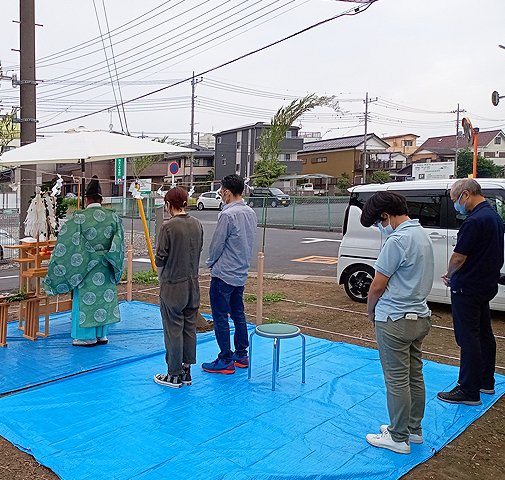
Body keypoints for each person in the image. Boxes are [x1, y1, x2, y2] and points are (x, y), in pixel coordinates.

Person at [361, 191, 434, 455]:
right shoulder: (421, 234)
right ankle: (413, 430)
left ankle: (398, 436)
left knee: (396, 380)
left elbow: (377, 286)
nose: (380, 227)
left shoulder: (397, 240)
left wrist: (371, 312)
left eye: (379, 222)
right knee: (415, 375)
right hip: (420, 317)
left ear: (385, 216)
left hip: (394, 319)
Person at [437, 178, 504, 405]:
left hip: (468, 286)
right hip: (486, 284)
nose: (456, 204)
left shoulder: (474, 221)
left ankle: (468, 389)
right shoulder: (494, 216)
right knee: (484, 334)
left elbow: (459, 256)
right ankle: (486, 381)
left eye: (456, 200)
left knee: (468, 338)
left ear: (466, 194)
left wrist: (450, 274)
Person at [42, 175, 124, 346]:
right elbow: (119, 244)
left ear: (86, 199)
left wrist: (88, 254)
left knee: (87, 300)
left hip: (86, 267)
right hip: (108, 265)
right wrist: (109, 258)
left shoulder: (80, 217)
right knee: (103, 299)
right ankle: (101, 335)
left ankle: (86, 337)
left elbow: (68, 241)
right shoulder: (113, 217)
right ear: (101, 199)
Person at [202, 174, 257, 374]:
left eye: (221, 192)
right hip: (241, 271)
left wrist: (210, 263)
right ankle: (241, 355)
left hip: (223, 273)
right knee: (238, 314)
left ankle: (225, 358)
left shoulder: (227, 215)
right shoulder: (250, 212)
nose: (221, 196)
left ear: (226, 192)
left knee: (220, 317)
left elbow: (217, 244)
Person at [153, 187, 204, 388]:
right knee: (189, 328)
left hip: (173, 286)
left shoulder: (168, 227)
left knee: (173, 329)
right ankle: (187, 371)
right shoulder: (197, 224)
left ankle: (173, 374)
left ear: (168, 204)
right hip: (193, 284)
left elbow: (160, 259)